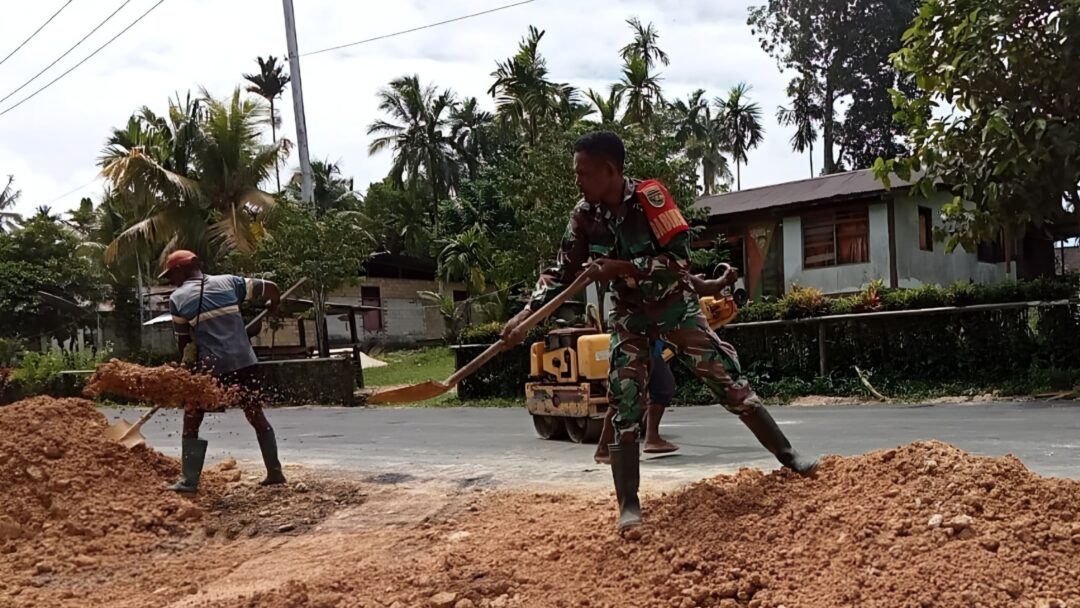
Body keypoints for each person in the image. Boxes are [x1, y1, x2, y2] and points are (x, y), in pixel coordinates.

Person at [501, 132, 817, 532]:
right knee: (625, 400)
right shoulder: (583, 216)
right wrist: (527, 312)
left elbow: (678, 261)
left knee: (727, 381)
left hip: (675, 308)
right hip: (630, 317)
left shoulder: (652, 199)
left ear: (609, 170)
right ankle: (628, 505)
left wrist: (622, 268)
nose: (577, 181)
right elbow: (560, 272)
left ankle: (789, 457)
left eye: (583, 173)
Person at [162, 250, 286, 492]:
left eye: (171, 275)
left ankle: (189, 480)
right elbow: (271, 287)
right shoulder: (230, 282)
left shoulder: (178, 298)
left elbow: (184, 342)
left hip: (213, 367)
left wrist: (187, 368)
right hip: (246, 361)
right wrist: (274, 304)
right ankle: (275, 472)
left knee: (192, 419)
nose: (170, 280)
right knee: (255, 414)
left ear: (180, 271)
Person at [592, 266, 740, 463]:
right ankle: (612, 448)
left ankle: (646, 439)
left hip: (648, 342)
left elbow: (700, 286)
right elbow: (703, 287)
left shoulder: (665, 271)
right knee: (634, 394)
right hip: (639, 342)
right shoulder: (662, 271)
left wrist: (709, 281)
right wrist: (723, 279)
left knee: (652, 390)